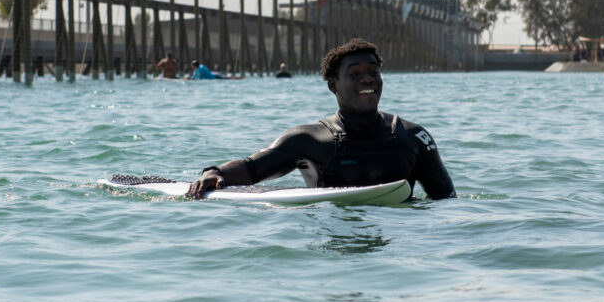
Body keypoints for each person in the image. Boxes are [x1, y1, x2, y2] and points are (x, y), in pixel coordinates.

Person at [188, 38, 456, 200]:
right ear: (332, 85)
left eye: (374, 72)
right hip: (334, 235)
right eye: (355, 73)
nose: (367, 79)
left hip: (399, 242)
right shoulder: (309, 140)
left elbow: (445, 202)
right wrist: (216, 172)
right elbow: (253, 168)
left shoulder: (414, 137)